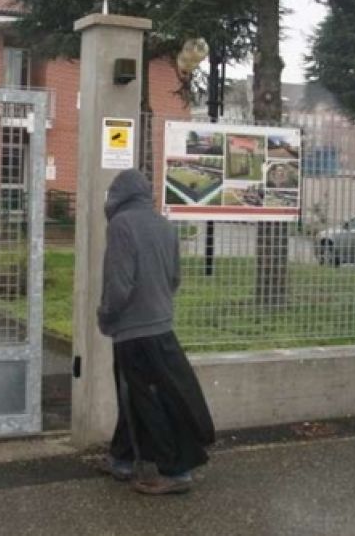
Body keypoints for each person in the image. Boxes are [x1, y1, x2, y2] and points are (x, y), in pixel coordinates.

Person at [97, 168, 215, 495]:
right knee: (137, 395)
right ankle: (120, 458)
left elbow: (119, 283)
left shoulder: (122, 225)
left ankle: (175, 472)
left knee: (147, 400)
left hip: (132, 331)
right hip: (160, 326)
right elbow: (175, 277)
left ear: (117, 196)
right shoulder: (164, 224)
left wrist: (105, 315)